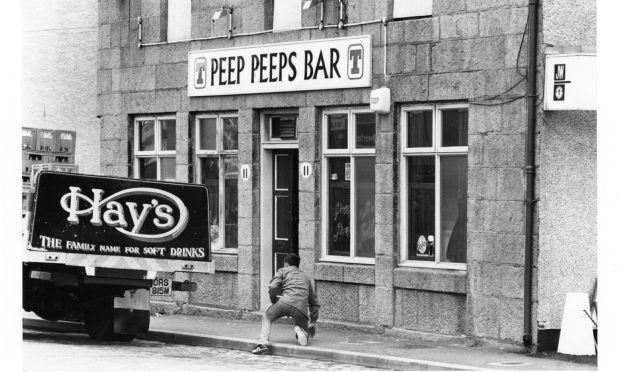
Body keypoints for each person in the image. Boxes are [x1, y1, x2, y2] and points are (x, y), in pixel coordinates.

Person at [251, 253, 320, 355]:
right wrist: (313, 321)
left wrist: (273, 301)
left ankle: (263, 343)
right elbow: (314, 301)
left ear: (286, 264)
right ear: (298, 265)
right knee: (304, 334)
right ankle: (300, 330)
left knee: (267, 316)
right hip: (301, 308)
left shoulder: (283, 271)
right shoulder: (306, 278)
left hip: (284, 302)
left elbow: (273, 286)